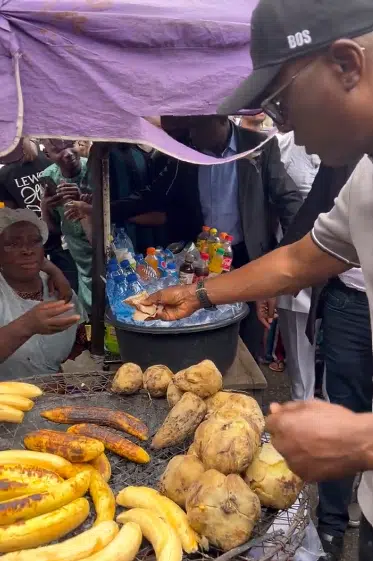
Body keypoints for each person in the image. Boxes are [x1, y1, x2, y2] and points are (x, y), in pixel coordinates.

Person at [145, 1, 373, 559]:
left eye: (280, 100)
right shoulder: (366, 175)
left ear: (347, 65)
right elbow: (300, 260)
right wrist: (198, 293)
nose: (280, 125)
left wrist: (362, 438)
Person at [109, 115, 303, 360]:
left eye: (196, 127)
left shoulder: (258, 145)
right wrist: (107, 207)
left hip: (247, 256)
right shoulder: (187, 150)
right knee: (200, 328)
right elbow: (155, 194)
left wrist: (286, 260)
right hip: (199, 260)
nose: (191, 135)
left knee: (247, 339)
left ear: (220, 120)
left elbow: (289, 201)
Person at [0, 207, 84, 379]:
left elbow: (79, 343)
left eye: (35, 241)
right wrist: (28, 325)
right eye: (13, 244)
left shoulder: (60, 290)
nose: (27, 250)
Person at [41, 139, 92, 313]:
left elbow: (110, 220)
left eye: (71, 144)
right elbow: (53, 229)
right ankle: (93, 337)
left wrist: (84, 206)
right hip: (75, 251)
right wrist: (45, 207)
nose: (68, 152)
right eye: (57, 150)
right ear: (47, 155)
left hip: (104, 244)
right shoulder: (49, 177)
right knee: (85, 307)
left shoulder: (94, 169)